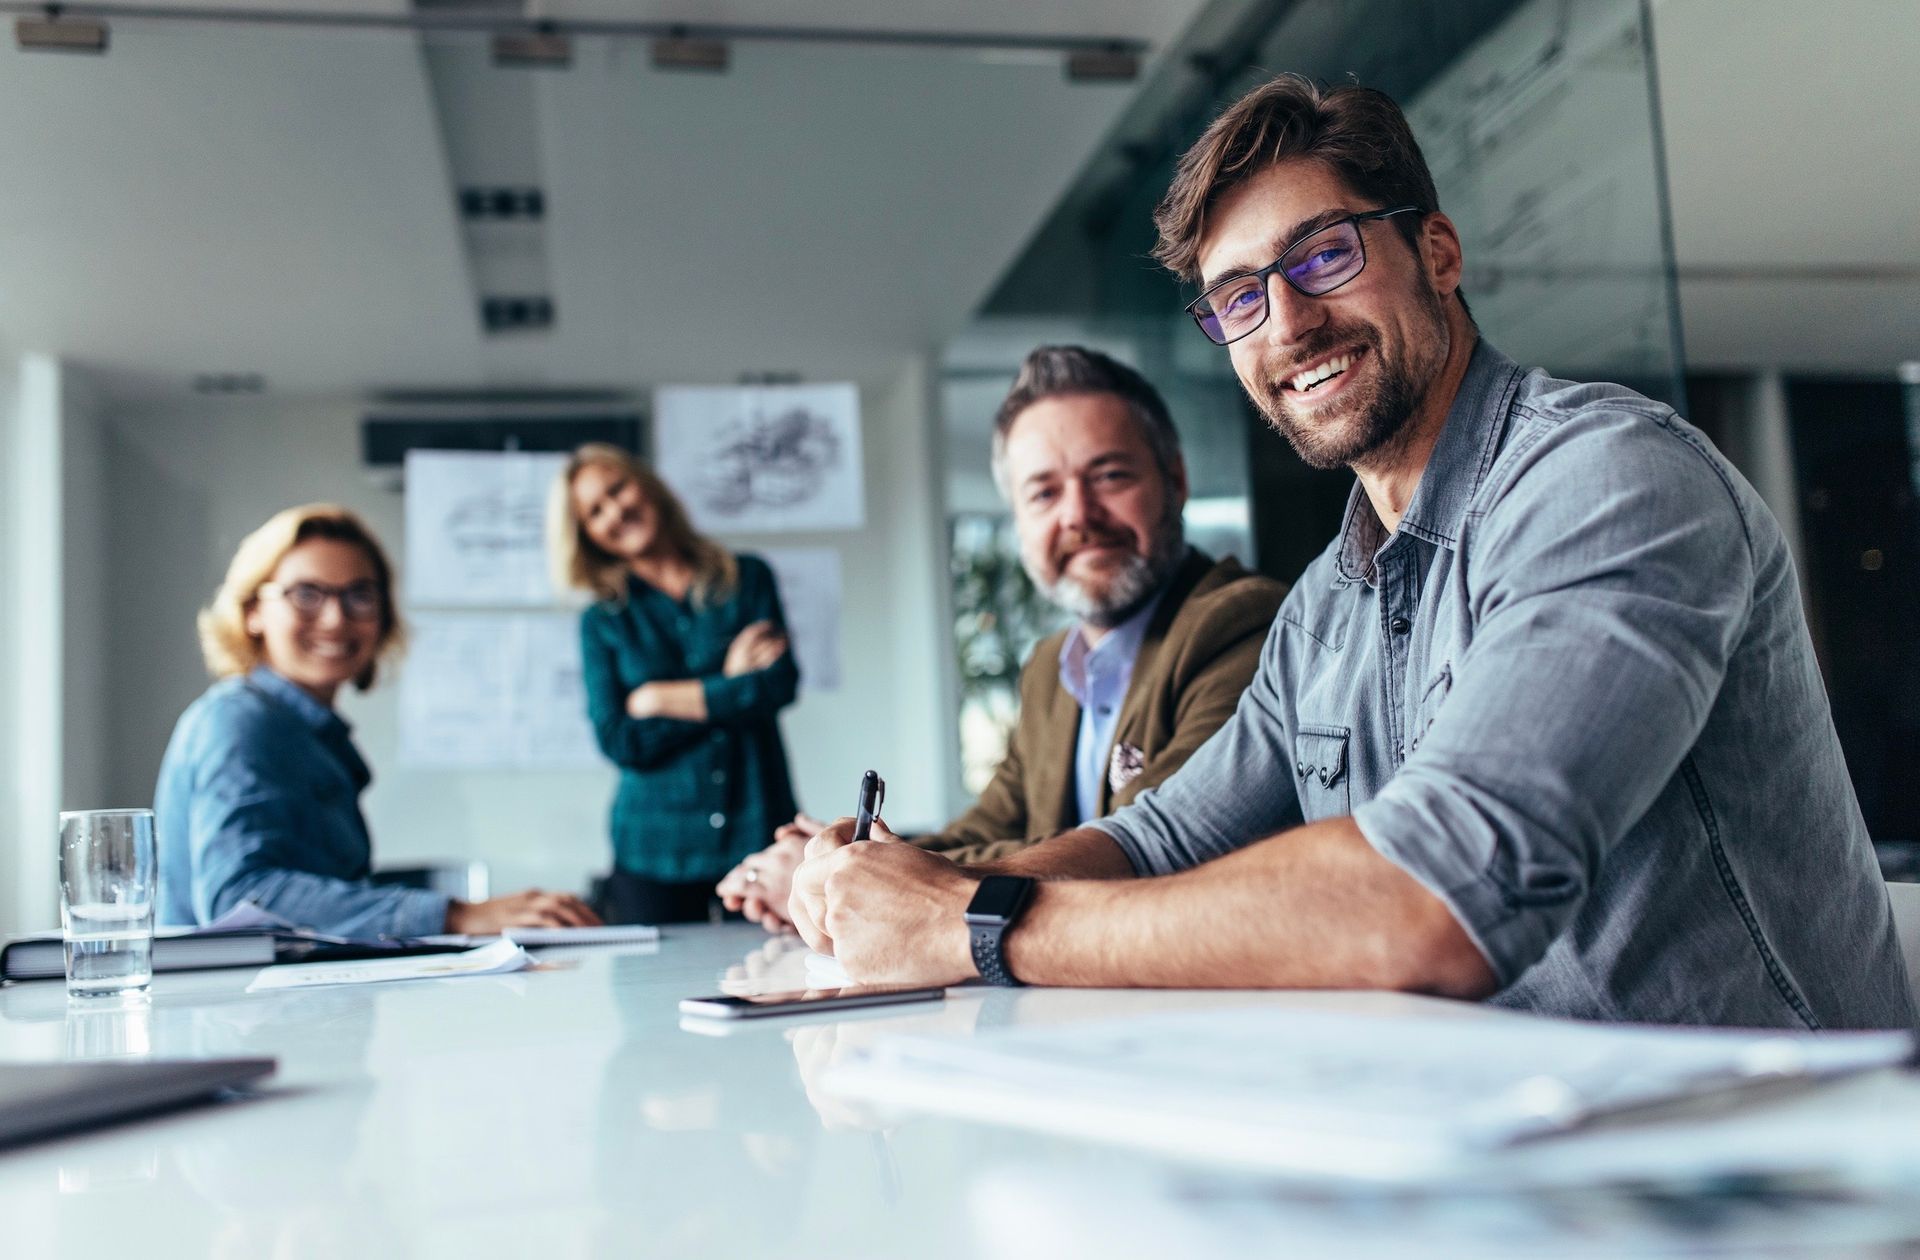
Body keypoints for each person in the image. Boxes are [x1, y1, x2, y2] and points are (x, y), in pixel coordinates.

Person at [787, 74, 1915, 1030]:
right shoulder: (1328, 602)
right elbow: (1160, 837)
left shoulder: (1608, 480)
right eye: (1237, 297)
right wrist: (915, 890)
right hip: (1513, 1148)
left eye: (1322, 256)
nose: (1285, 323)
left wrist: (976, 925)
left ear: (1437, 250)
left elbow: (1438, 896)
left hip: (1774, 1176)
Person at [717, 346, 1285, 929]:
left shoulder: (1239, 624)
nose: (1078, 515)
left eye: (1110, 475)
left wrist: (851, 878)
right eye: (1044, 492)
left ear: (1176, 479)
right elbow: (993, 827)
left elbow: (1147, 844)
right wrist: (850, 862)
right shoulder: (1050, 668)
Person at [156, 504, 600, 937]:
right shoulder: (241, 723)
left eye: (360, 595)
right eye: (306, 594)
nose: (335, 618)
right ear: (253, 610)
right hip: (229, 1008)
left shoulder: (310, 733)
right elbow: (240, 898)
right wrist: (454, 915)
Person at [553, 443, 800, 924]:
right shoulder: (602, 620)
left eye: (617, 488)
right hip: (653, 851)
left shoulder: (747, 578)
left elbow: (778, 686)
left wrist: (658, 698)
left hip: (757, 829)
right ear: (586, 535)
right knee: (651, 995)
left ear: (645, 484)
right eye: (594, 511)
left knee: (778, 979)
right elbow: (620, 739)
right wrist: (729, 682)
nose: (615, 511)